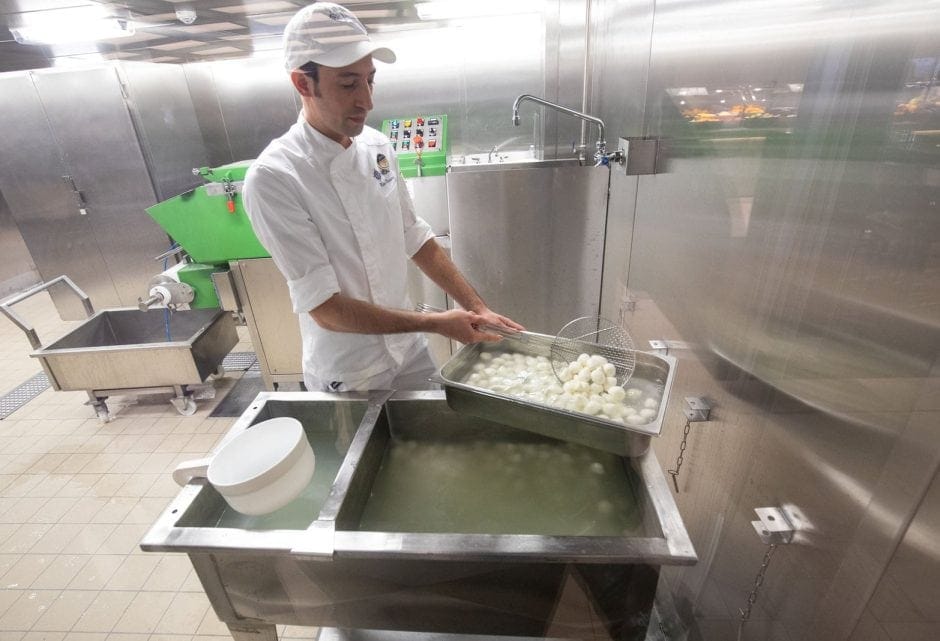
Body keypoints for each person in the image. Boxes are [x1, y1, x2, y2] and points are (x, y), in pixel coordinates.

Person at [243, 2, 522, 392]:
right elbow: (326, 309)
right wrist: (435, 323)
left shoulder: (376, 146)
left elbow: (416, 236)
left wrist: (476, 306)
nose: (367, 101)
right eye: (348, 84)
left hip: (408, 351)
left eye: (370, 80)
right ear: (303, 84)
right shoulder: (275, 178)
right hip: (349, 369)